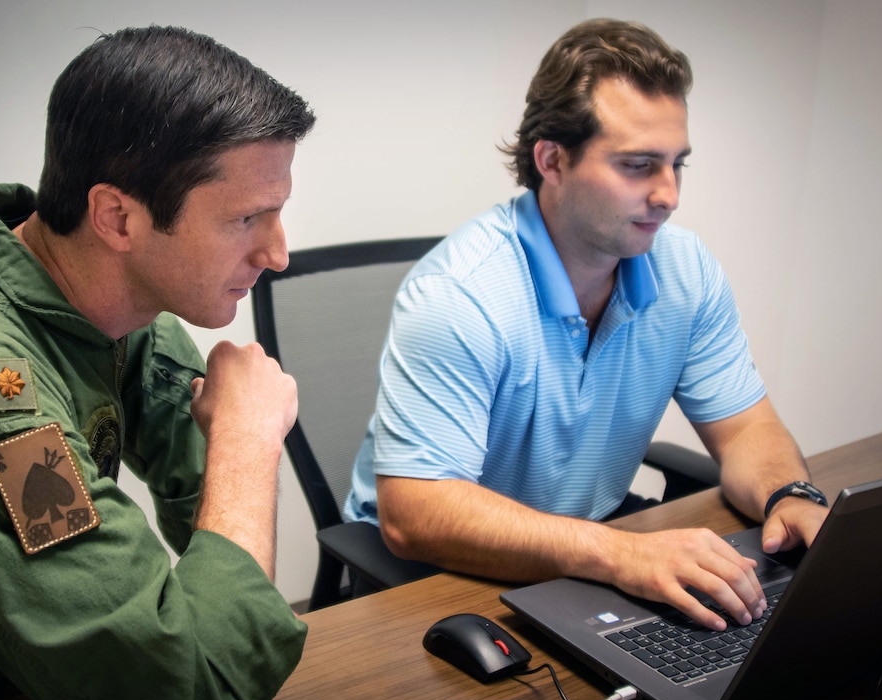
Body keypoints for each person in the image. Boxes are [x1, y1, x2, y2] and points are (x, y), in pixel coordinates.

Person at [0, 26, 315, 700]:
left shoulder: (115, 305)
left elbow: (212, 539)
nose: (278, 254)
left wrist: (229, 462)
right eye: (248, 217)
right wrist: (247, 440)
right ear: (115, 217)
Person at [346, 18, 829, 633]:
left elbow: (744, 432)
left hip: (583, 553)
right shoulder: (458, 296)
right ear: (552, 159)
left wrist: (790, 494)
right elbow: (417, 514)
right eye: (637, 165)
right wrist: (623, 553)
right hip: (430, 575)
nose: (668, 195)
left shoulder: (686, 270)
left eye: (677, 164)